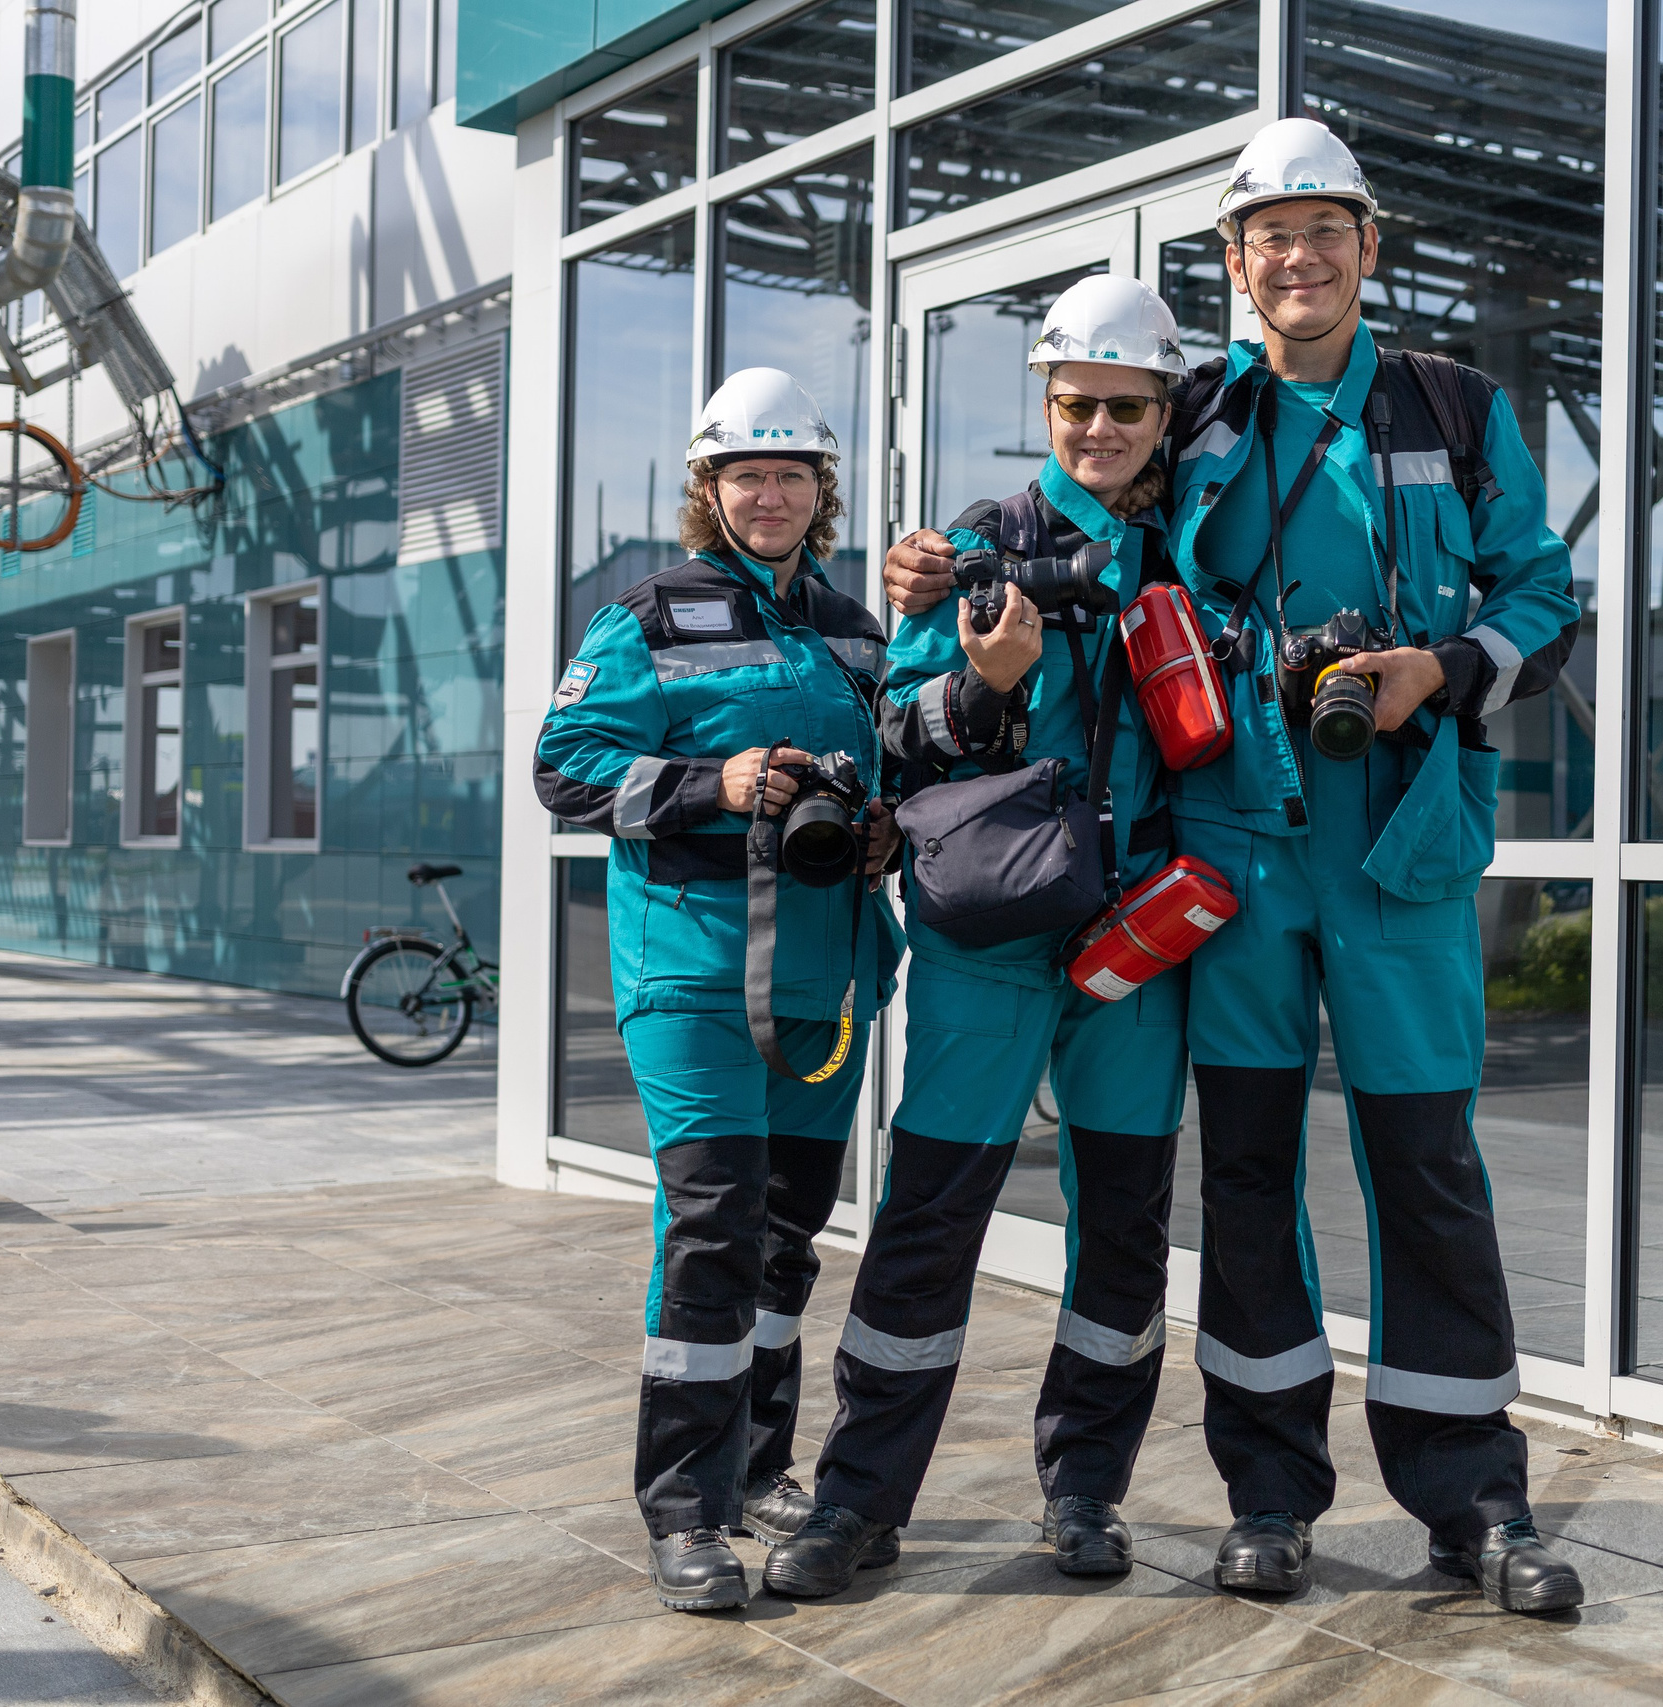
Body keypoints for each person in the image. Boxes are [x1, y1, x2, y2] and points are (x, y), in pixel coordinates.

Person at [887, 120, 1586, 1612]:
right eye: (1270, 234)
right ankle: (1269, 1492)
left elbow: (1545, 594)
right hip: (1239, 856)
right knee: (1250, 1177)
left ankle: (1475, 1498)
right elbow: (1087, 484)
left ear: (1369, 249)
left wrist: (1444, 666)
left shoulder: (1455, 406)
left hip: (1401, 851)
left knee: (1430, 1173)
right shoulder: (1200, 411)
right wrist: (934, 566)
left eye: (1326, 228)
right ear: (1235, 263)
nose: (1300, 255)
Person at [764, 277, 1191, 1600]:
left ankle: (1085, 1486)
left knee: (1122, 1228)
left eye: (1129, 405)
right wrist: (983, 685)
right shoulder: (971, 548)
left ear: (1167, 412)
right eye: (1077, 404)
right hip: (988, 939)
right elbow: (889, 730)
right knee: (929, 1216)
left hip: (1138, 943)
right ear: (1046, 405)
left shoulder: (1198, 553)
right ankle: (858, 1499)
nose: (1101, 427)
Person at [534, 368, 903, 1613]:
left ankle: (759, 1473)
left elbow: (889, 767)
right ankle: (685, 1510)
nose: (770, 494)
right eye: (745, 474)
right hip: (690, 972)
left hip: (825, 979)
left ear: (821, 488)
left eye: (792, 473)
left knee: (786, 1240)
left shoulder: (858, 629)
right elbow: (563, 767)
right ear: (709, 489)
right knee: (711, 1227)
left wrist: (880, 829)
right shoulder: (647, 617)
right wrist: (715, 781)